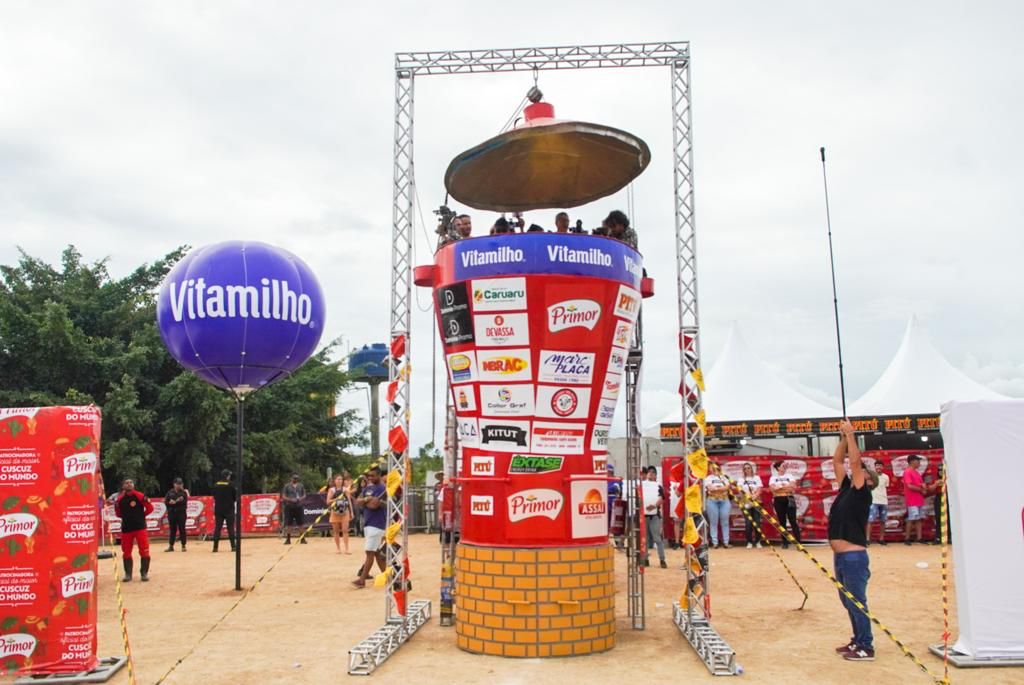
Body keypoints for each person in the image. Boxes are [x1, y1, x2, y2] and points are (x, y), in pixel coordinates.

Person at [829, 419, 875, 661]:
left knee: (857, 601)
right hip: (841, 556)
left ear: (869, 480)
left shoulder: (862, 492)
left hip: (853, 557)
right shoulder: (846, 489)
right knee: (848, 602)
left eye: (862, 471)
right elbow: (838, 461)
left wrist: (851, 436)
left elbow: (854, 462)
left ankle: (866, 646)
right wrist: (842, 437)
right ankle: (857, 640)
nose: (857, 470)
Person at [353, 467, 387, 588]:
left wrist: (365, 501)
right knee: (377, 553)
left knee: (369, 552)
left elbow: (374, 505)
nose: (371, 478)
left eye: (373, 476)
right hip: (368, 523)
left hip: (377, 524)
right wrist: (368, 499)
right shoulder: (368, 488)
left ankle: (362, 579)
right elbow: (358, 501)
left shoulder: (382, 489)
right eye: (369, 476)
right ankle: (388, 576)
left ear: (379, 475)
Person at [114, 479, 153, 582]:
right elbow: (118, 513)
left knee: (144, 550)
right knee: (126, 552)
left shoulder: (139, 496)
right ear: (123, 486)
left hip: (140, 528)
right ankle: (128, 574)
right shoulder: (119, 500)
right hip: (126, 529)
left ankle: (144, 573)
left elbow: (150, 508)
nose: (129, 484)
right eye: (126, 483)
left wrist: (141, 516)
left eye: (131, 482)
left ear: (134, 485)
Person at [902, 455, 940, 545]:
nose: (919, 463)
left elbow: (922, 485)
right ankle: (907, 538)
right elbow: (909, 485)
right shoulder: (907, 472)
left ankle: (919, 538)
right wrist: (921, 489)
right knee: (912, 518)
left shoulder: (917, 472)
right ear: (911, 461)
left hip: (919, 499)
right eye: (917, 461)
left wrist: (928, 486)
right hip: (912, 500)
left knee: (918, 519)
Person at [769, 460, 802, 548]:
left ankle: (798, 542)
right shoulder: (773, 477)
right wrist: (786, 487)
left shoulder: (790, 476)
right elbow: (772, 489)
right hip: (778, 499)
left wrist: (780, 487)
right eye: (783, 465)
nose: (785, 466)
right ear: (778, 468)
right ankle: (785, 542)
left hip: (789, 498)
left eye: (785, 465)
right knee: (782, 521)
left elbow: (793, 487)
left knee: (793, 521)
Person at [641, 467, 667, 568]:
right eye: (649, 472)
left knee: (657, 538)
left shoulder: (658, 486)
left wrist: (654, 506)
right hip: (644, 515)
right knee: (645, 539)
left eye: (653, 472)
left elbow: (662, 498)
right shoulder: (642, 486)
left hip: (654, 516)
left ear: (656, 475)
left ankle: (662, 559)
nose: (651, 474)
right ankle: (646, 559)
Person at [738, 463, 765, 549]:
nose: (747, 470)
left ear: (752, 469)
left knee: (757, 522)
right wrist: (748, 497)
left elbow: (760, 488)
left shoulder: (756, 478)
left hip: (756, 501)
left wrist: (755, 496)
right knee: (748, 523)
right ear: (743, 470)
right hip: (746, 502)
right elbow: (740, 490)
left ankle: (758, 541)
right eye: (745, 468)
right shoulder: (741, 479)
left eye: (749, 468)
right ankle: (749, 542)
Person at [704, 470, 731, 549]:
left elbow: (727, 487)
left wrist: (716, 489)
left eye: (716, 468)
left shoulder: (724, 477)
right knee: (713, 522)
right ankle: (715, 542)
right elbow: (709, 488)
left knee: (725, 522)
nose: (715, 470)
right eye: (713, 468)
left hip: (724, 500)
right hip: (712, 501)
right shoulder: (708, 478)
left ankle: (726, 542)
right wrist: (721, 489)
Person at [211, 469, 237, 553]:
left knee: (217, 528)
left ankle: (215, 547)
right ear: (227, 476)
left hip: (218, 509)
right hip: (229, 509)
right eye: (229, 475)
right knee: (230, 528)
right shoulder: (231, 485)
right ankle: (233, 546)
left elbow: (214, 496)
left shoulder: (216, 485)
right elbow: (235, 497)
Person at [328, 474, 354, 554]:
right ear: (334, 480)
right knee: (336, 531)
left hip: (345, 512)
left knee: (345, 530)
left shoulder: (345, 489)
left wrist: (351, 512)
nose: (339, 481)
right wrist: (336, 499)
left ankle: (347, 548)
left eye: (341, 479)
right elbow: (328, 501)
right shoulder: (331, 490)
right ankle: (338, 548)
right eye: (338, 479)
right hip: (335, 512)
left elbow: (349, 501)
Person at [866, 462, 890, 545]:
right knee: (870, 520)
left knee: (883, 521)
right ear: (875, 467)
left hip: (883, 501)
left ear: (883, 467)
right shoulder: (871, 476)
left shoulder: (886, 477)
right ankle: (868, 539)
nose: (878, 467)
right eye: (877, 465)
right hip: (873, 501)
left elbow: (886, 487)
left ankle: (881, 538)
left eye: (880, 465)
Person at [164, 478, 188, 552]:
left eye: (180, 484)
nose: (179, 485)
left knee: (182, 529)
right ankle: (171, 546)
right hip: (172, 513)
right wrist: (169, 503)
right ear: (174, 484)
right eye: (177, 484)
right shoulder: (170, 492)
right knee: (172, 530)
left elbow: (184, 502)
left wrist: (176, 502)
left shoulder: (184, 493)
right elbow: (166, 501)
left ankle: (183, 545)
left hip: (181, 513)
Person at [281, 473, 307, 545]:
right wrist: (290, 499)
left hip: (299, 506)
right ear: (291, 479)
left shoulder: (301, 486)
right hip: (289, 506)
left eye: (296, 478)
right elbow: (283, 496)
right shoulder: (287, 486)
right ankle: (288, 539)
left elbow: (304, 494)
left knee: (301, 523)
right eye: (294, 478)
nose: (295, 480)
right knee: (289, 523)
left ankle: (302, 538)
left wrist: (300, 499)